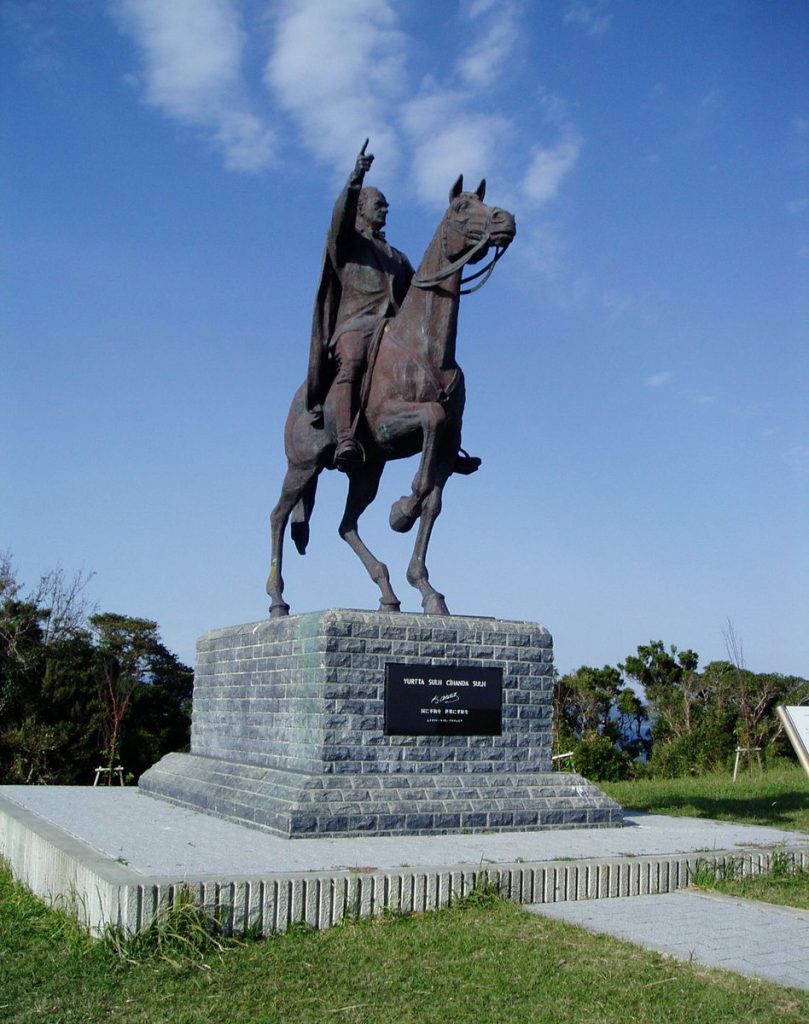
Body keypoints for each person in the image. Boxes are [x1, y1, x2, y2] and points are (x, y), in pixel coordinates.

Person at [306, 141, 414, 469]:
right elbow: (339, 217)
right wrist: (356, 179)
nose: (386, 209)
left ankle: (444, 444)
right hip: (355, 327)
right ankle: (344, 438)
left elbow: (419, 294)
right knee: (352, 361)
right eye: (379, 204)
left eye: (386, 205)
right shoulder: (347, 243)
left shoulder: (398, 258)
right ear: (361, 208)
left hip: (390, 331)